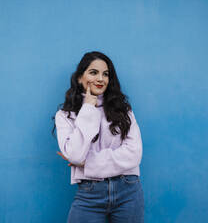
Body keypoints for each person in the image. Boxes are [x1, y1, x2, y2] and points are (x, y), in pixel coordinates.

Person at [53, 51, 144, 223]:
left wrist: (88, 163)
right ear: (80, 77)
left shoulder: (123, 110)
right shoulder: (65, 116)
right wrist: (88, 108)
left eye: (106, 74)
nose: (101, 79)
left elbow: (134, 154)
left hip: (129, 191)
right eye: (93, 72)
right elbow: (75, 155)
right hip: (89, 194)